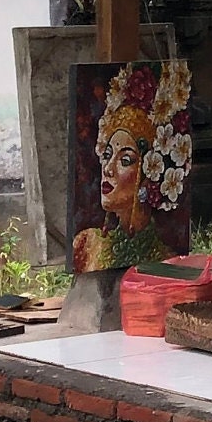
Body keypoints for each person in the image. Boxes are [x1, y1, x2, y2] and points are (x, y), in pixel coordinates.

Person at [71, 59, 193, 273]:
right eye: (107, 155)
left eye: (125, 160)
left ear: (150, 173)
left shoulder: (166, 259)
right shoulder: (85, 244)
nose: (108, 168)